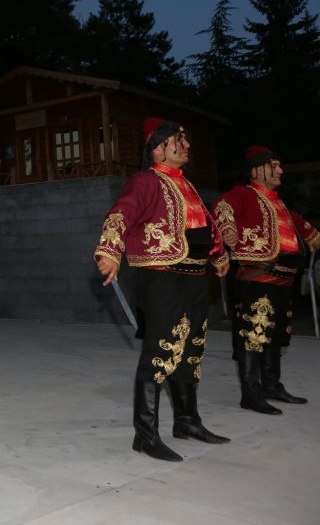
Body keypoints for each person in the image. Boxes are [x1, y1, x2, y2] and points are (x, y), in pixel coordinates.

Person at [94, 118, 230, 462]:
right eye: (177, 140)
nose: (186, 145)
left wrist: (218, 255)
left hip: (195, 278)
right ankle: (145, 435)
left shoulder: (188, 185)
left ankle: (187, 421)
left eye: (186, 139)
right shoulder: (145, 181)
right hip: (162, 277)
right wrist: (110, 250)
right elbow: (120, 214)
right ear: (158, 148)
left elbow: (206, 225)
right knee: (160, 352)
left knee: (191, 352)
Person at [213, 146, 320, 414]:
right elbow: (222, 206)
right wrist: (227, 229)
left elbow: (301, 224)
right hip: (258, 277)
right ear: (256, 170)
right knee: (254, 334)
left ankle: (271, 385)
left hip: (284, 280)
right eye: (274, 165)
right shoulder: (243, 194)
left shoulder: (279, 203)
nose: (280, 170)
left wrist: (312, 236)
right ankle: (250, 393)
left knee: (275, 334)